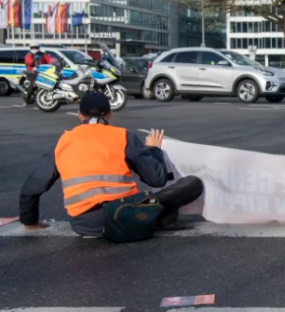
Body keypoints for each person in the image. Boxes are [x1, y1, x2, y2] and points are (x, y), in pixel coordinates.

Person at [19, 93, 204, 238]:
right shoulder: (123, 137)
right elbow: (157, 179)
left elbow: (30, 188)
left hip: (84, 225)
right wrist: (153, 150)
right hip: (128, 215)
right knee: (193, 183)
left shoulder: (63, 141)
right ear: (109, 114)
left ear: (80, 115)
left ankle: (156, 216)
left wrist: (31, 222)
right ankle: (156, 216)